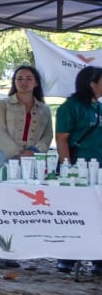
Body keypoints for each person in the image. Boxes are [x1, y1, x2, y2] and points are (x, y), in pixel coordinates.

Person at [54, 65, 102, 275]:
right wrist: (67, 169)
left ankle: (97, 258)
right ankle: (67, 258)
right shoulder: (70, 107)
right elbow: (62, 139)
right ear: (92, 84)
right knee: (74, 214)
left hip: (98, 169)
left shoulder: (98, 107)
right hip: (78, 169)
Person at [0, 65, 53, 167]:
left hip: (33, 158)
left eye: (29, 78)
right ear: (14, 82)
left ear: (36, 83)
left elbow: (48, 135)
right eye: (19, 78)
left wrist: (35, 151)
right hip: (4, 155)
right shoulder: (2, 104)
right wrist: (18, 152)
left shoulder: (44, 109)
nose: (24, 82)